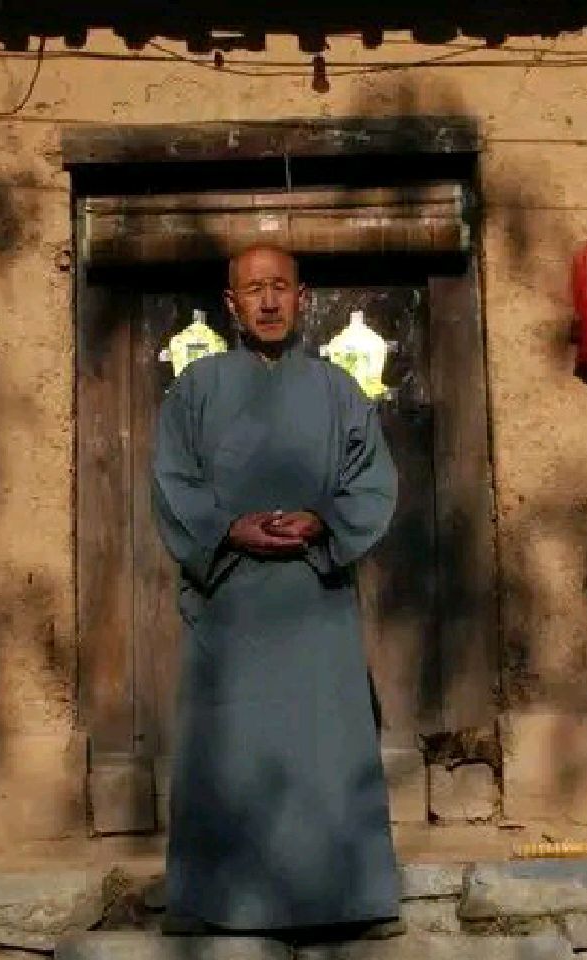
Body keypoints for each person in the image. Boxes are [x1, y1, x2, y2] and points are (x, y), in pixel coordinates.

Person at [150, 243, 403, 940]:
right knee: (225, 750)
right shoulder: (196, 390)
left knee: (328, 748)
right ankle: (213, 904)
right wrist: (227, 529)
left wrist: (323, 520)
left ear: (302, 297)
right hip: (230, 600)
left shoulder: (339, 391)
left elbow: (373, 481)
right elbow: (172, 481)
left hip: (314, 596)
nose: (268, 301)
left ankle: (350, 902)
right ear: (230, 305)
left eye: (280, 288)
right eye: (253, 290)